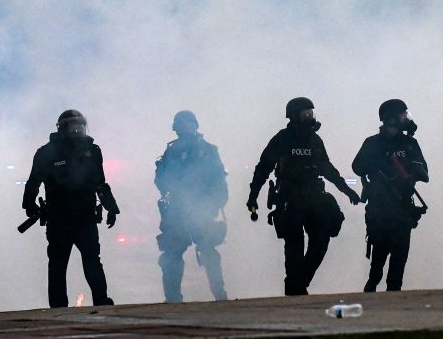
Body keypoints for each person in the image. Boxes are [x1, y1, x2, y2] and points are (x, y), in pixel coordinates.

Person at [246, 97, 361, 296]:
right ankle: (295, 288)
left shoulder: (315, 140)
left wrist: (347, 190)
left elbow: (328, 169)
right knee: (294, 247)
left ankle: (297, 284)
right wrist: (253, 196)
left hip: (315, 199)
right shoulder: (281, 139)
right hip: (289, 200)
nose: (310, 117)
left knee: (321, 240)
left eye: (311, 113)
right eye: (305, 114)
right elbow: (263, 168)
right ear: (294, 117)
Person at [22, 109, 121, 308]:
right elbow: (33, 182)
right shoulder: (46, 153)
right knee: (58, 265)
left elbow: (100, 183)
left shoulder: (93, 151)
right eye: (73, 127)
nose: (77, 131)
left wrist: (111, 207)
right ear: (62, 129)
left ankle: (101, 300)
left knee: (92, 260)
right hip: (59, 219)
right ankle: (58, 307)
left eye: (80, 127)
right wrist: (29, 205)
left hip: (85, 217)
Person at [352, 99, 429, 292]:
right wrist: (378, 163)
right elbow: (357, 167)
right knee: (379, 255)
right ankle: (372, 286)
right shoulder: (372, 143)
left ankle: (393, 295)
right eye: (402, 115)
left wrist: (411, 171)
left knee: (400, 256)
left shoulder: (410, 144)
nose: (406, 118)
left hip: (403, 206)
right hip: (380, 208)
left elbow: (425, 173)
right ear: (391, 119)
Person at [155, 110, 229, 302]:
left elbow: (219, 181)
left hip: (202, 208)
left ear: (195, 125)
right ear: (176, 128)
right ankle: (172, 299)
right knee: (171, 254)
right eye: (182, 124)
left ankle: (220, 295)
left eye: (189, 124)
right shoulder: (171, 152)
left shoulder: (209, 150)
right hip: (177, 211)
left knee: (209, 251)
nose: (186, 128)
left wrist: (214, 204)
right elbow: (161, 178)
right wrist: (169, 192)